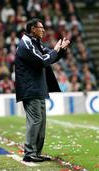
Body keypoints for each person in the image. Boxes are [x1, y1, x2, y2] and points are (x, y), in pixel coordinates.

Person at [15, 18, 70, 162]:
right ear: (33, 29)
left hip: (38, 87)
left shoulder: (35, 43)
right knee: (35, 121)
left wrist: (61, 49)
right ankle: (29, 153)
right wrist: (55, 50)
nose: (43, 30)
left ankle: (36, 153)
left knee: (41, 121)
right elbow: (43, 60)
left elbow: (50, 56)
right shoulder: (26, 43)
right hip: (30, 89)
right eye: (41, 27)